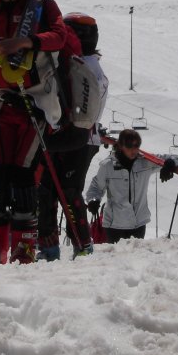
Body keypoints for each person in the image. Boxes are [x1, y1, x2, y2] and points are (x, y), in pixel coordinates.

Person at [0, 0, 68, 264]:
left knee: (22, 177)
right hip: (2, 105)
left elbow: (59, 36)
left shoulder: (42, 6)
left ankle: (24, 252)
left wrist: (26, 41)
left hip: (35, 106)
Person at [37, 13, 109, 260]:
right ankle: (50, 246)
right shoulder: (86, 63)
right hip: (75, 135)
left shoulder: (84, 66)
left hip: (79, 136)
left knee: (67, 190)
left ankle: (82, 244)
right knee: (47, 188)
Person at [86, 128, 176, 242]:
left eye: (137, 145)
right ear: (121, 146)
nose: (134, 150)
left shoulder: (145, 162)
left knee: (136, 258)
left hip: (138, 224)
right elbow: (96, 187)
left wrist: (169, 163)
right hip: (114, 225)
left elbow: (174, 158)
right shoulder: (108, 166)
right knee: (115, 258)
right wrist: (93, 200)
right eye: (129, 146)